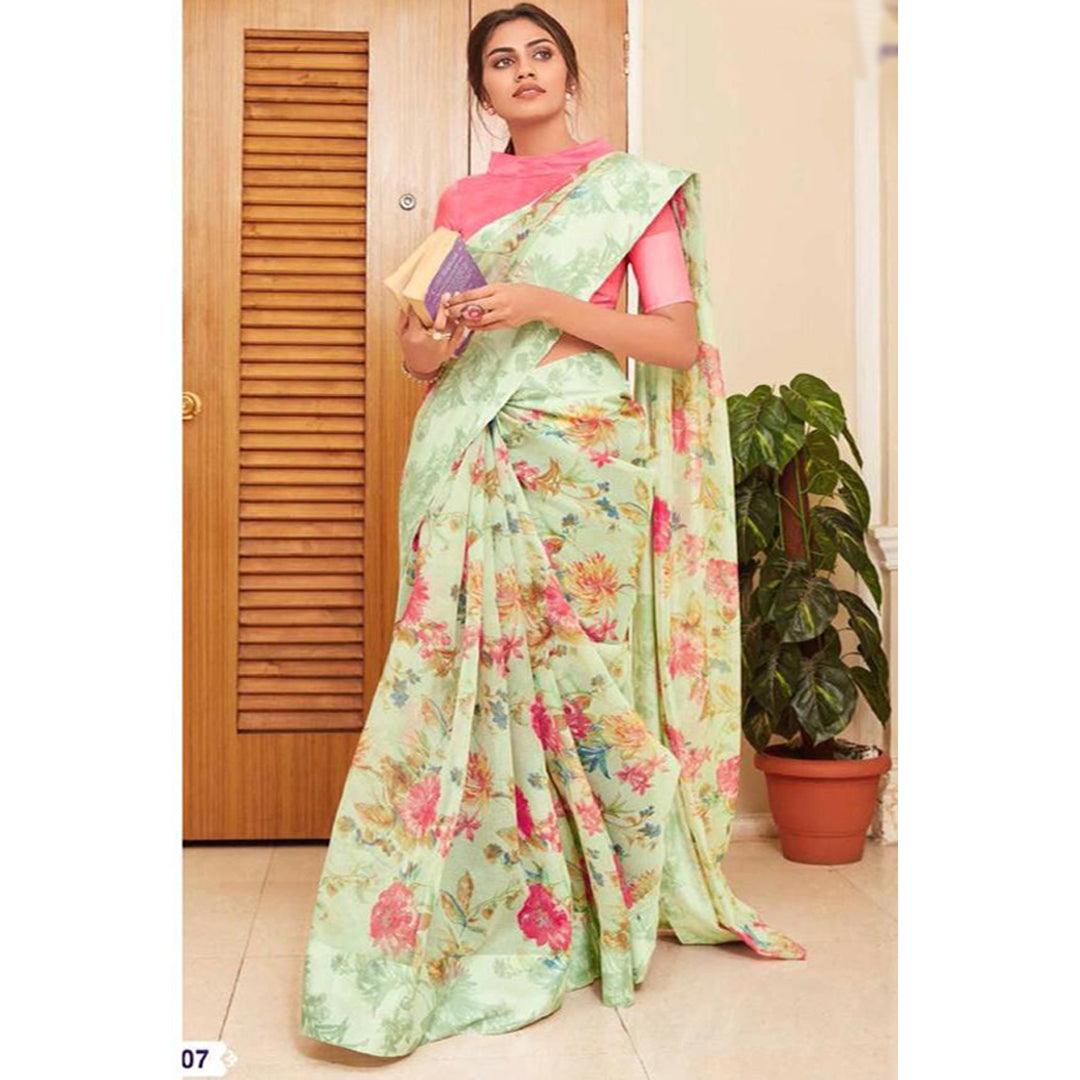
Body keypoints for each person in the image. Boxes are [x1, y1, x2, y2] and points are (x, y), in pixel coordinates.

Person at [299, 3, 806, 1059]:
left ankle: (591, 897)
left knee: (584, 689)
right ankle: (478, 904)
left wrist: (543, 302)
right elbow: (420, 361)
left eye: (540, 55)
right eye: (501, 61)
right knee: (460, 683)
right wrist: (432, 332)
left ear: (570, 77)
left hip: (586, 462)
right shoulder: (463, 202)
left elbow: (674, 343)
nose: (523, 71)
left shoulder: (629, 191)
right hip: (473, 446)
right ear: (482, 93)